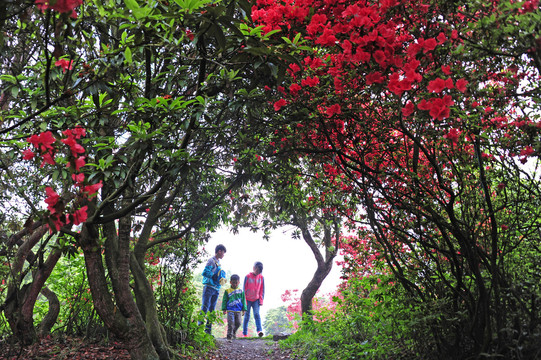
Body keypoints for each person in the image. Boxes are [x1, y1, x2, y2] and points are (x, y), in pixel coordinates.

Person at [200, 244, 227, 335]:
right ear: (219, 251)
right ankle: (199, 328)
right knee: (205, 307)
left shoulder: (218, 262)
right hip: (209, 287)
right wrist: (214, 276)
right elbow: (205, 272)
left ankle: (208, 331)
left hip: (216, 289)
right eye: (223, 252)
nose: (223, 255)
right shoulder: (211, 261)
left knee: (212, 310)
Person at [222, 274, 247, 341]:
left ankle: (233, 332)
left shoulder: (241, 291)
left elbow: (243, 300)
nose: (235, 284)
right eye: (233, 282)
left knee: (238, 323)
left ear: (238, 282)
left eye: (236, 283)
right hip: (230, 310)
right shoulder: (227, 291)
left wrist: (244, 309)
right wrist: (224, 309)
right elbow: (224, 300)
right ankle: (229, 337)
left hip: (238, 310)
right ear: (230, 282)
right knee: (231, 323)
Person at [243, 261, 265, 337]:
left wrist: (261, 300)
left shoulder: (261, 278)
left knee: (257, 314)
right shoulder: (247, 276)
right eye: (257, 270)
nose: (257, 272)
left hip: (256, 300)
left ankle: (259, 331)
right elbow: (244, 289)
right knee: (247, 316)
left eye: (259, 272)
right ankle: (245, 333)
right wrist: (244, 301)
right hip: (248, 300)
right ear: (254, 268)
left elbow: (262, 289)